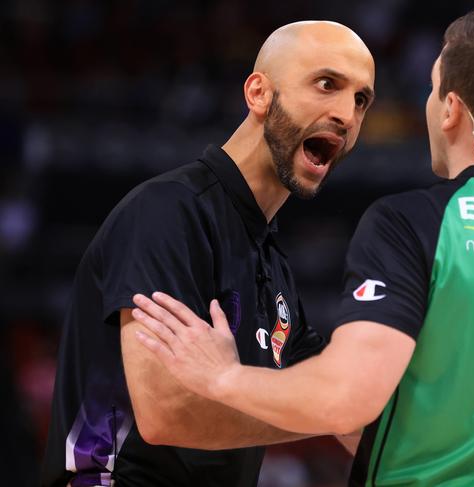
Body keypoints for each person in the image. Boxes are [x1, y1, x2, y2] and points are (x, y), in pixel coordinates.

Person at [132, 6, 474, 487]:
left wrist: (223, 376)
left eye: (429, 89)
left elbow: (345, 400)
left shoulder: (414, 224)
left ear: (450, 108)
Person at [41, 21, 375, 487]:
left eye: (361, 99)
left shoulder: (272, 264)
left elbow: (348, 406)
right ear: (259, 94)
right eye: (327, 84)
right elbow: (165, 415)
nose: (347, 114)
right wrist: (319, 410)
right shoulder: (166, 213)